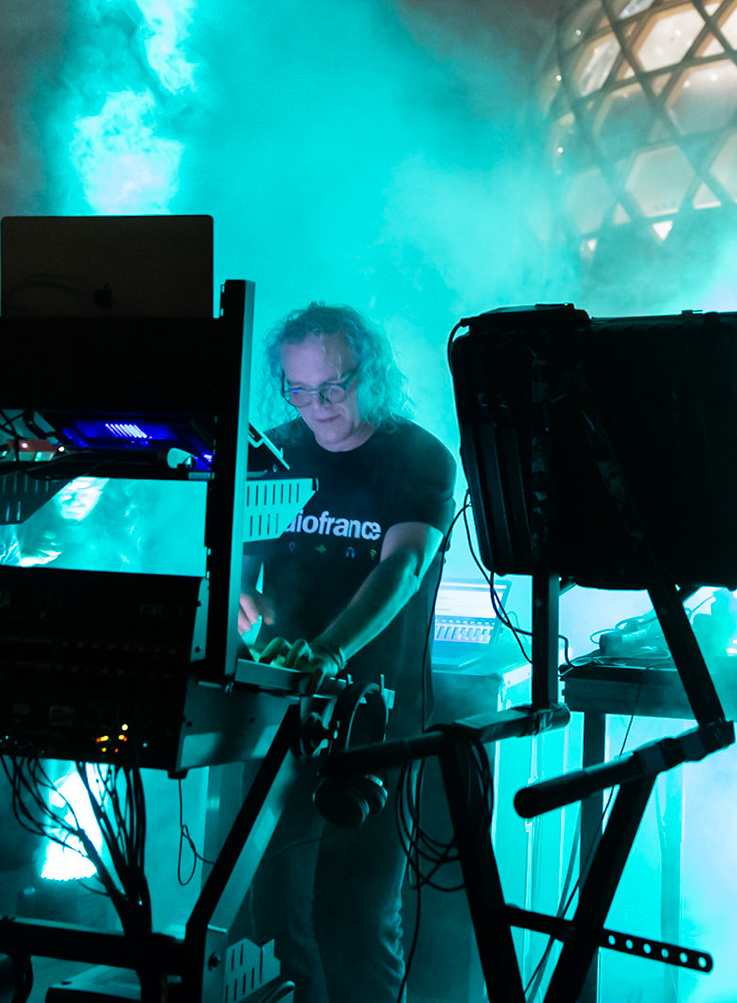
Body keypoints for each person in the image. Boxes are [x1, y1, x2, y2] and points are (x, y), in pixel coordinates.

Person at [238, 305, 455, 1003]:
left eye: (334, 387)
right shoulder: (273, 453)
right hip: (281, 716)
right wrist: (243, 600)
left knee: (355, 921)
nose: (318, 408)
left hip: (379, 723)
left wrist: (328, 651)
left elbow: (403, 567)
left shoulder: (417, 457)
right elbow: (238, 561)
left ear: (373, 374)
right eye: (298, 391)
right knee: (268, 915)